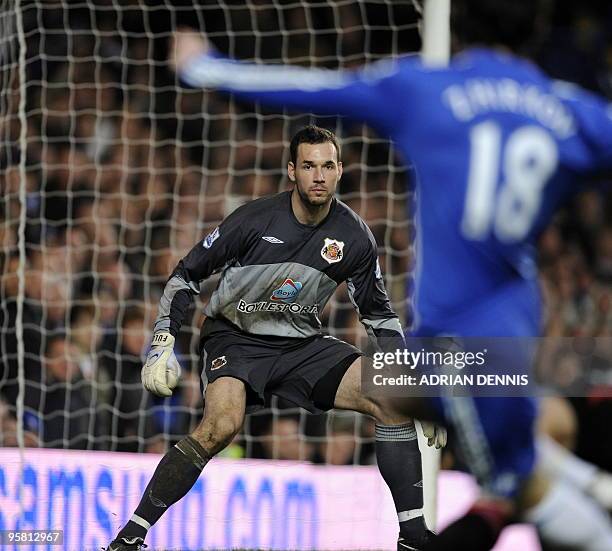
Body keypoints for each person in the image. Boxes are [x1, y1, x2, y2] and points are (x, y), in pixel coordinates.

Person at [168, 0, 612, 549]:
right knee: (397, 393)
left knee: (515, 491)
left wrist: (203, 66)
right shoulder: (570, 110)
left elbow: (310, 91)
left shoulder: (426, 90)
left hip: (460, 340)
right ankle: (590, 484)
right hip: (516, 326)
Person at [106, 126, 446, 551]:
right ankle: (131, 536)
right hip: (235, 339)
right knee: (220, 426)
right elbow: (186, 274)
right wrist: (162, 340)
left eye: (327, 166)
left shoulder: (355, 237)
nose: (318, 176)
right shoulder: (254, 219)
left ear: (340, 171)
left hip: (301, 344)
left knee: (390, 398)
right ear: (291, 171)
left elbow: (378, 314)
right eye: (308, 166)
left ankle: (413, 538)